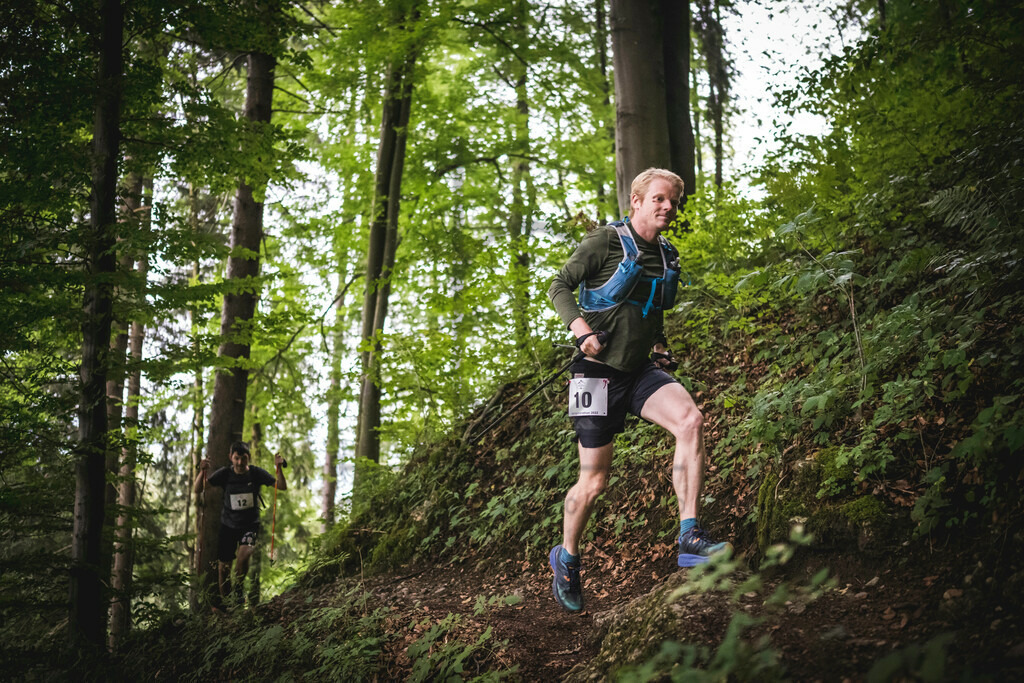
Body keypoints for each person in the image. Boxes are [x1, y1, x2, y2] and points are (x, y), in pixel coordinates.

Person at [546, 168, 730, 613]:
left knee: (691, 421)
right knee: (594, 481)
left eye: (673, 201)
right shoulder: (605, 241)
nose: (668, 207)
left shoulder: (666, 253)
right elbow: (558, 286)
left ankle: (689, 535)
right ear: (637, 201)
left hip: (639, 370)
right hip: (593, 374)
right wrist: (581, 332)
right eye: (659, 199)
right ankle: (567, 558)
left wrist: (659, 346)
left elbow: (651, 310)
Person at [195, 441, 286, 610]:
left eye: (243, 458)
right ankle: (227, 605)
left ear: (248, 457)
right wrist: (202, 471)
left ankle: (238, 592)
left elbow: (281, 486)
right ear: (231, 457)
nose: (239, 462)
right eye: (236, 458)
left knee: (243, 557)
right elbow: (198, 488)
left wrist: (278, 468)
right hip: (228, 526)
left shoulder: (256, 473)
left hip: (250, 525)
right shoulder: (224, 474)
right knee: (223, 568)